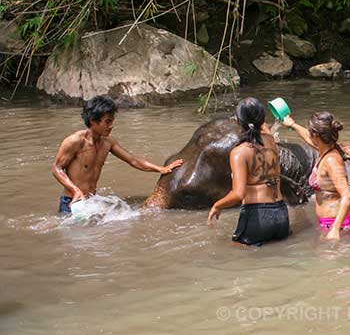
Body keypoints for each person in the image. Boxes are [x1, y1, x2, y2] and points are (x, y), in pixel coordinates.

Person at [52, 95, 183, 215]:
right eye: (107, 122)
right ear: (93, 121)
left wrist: (161, 169)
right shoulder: (75, 141)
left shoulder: (107, 142)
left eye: (112, 121)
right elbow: (56, 168)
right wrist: (75, 190)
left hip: (91, 202)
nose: (111, 126)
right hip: (72, 202)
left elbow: (133, 160)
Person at [207, 97, 290, 246]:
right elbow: (263, 129)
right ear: (263, 119)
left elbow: (238, 194)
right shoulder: (271, 140)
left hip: (258, 217)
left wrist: (217, 205)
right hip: (282, 215)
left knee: (236, 253)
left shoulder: (239, 152)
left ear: (238, 122)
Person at [283, 111, 350, 240]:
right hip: (330, 223)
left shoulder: (332, 160)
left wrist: (335, 229)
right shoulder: (325, 149)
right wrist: (293, 125)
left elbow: (347, 195)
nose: (309, 135)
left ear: (316, 135)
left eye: (311, 132)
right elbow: (309, 138)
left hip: (338, 225)